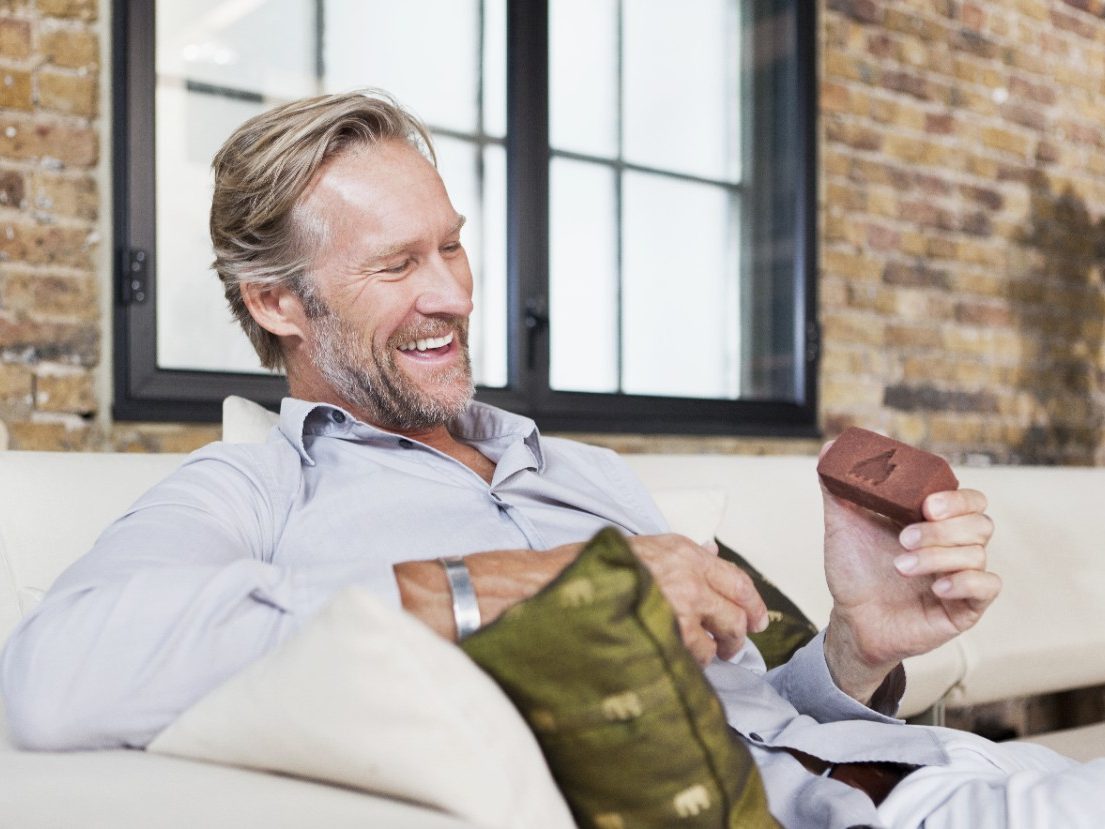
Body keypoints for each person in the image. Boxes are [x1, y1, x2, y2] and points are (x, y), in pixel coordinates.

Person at [0, 89, 1098, 828]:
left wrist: (858, 645)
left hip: (967, 781)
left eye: (452, 243)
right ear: (279, 302)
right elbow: (51, 677)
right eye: (396, 264)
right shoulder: (261, 489)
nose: (452, 293)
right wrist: (523, 588)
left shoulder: (574, 468)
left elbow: (757, 716)